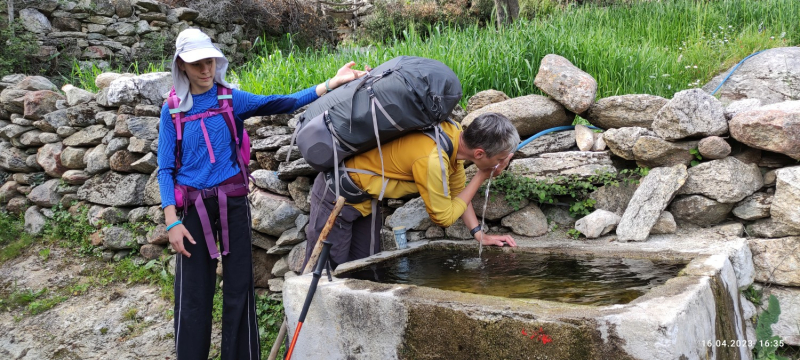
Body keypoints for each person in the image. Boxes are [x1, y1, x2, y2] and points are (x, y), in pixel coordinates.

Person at [157, 28, 369, 360]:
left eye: (210, 61)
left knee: (239, 286)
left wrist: (332, 83)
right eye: (196, 63)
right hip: (193, 210)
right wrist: (171, 221)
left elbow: (281, 102)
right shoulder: (171, 111)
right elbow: (165, 167)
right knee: (194, 292)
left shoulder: (230, 99)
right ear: (181, 66)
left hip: (233, 202)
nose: (205, 70)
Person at [303, 112, 521, 270]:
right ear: (480, 154)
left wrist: (479, 234)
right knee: (326, 274)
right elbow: (443, 217)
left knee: (362, 270)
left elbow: (458, 193)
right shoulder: (433, 159)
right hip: (336, 197)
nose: (501, 164)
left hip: (365, 201)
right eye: (500, 160)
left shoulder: (452, 134)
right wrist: (482, 176)